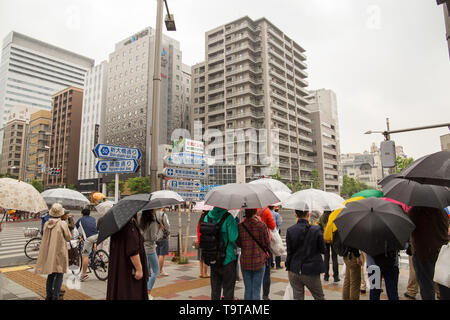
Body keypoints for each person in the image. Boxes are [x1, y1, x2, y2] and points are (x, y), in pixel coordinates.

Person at [408, 206, 450, 300]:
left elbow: (408, 228)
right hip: (441, 253)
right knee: (443, 284)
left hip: (422, 253)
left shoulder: (415, 210)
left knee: (426, 286)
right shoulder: (441, 211)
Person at [106, 213, 149, 300]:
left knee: (120, 292)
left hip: (119, 269)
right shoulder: (130, 227)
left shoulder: (118, 226)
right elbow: (132, 250)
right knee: (131, 293)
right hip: (129, 271)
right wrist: (139, 269)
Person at [285, 209, 326, 300]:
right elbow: (323, 250)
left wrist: (288, 268)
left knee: (298, 297)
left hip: (294, 269)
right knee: (319, 296)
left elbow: (289, 252)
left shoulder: (290, 230)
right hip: (311, 269)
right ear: (308, 214)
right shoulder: (316, 230)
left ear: (295, 214)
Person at [35, 203, 71, 300]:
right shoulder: (62, 224)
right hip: (59, 251)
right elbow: (68, 237)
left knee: (50, 274)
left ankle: (49, 295)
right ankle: (56, 296)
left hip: (49, 252)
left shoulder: (47, 224)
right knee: (59, 273)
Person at [204, 207, 238, 300]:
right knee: (228, 289)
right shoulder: (228, 217)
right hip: (227, 258)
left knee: (215, 289)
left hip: (213, 256)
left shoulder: (207, 217)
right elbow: (233, 238)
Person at [236, 208, 270, 300]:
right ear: (255, 212)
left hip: (245, 260)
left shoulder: (240, 226)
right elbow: (267, 243)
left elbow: (238, 242)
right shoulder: (261, 225)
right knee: (257, 289)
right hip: (259, 260)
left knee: (248, 289)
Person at [140, 209, 160, 300]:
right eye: (154, 211)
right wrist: (160, 231)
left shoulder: (142, 221)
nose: (155, 212)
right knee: (156, 271)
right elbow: (154, 238)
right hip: (151, 250)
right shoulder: (153, 223)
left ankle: (143, 292)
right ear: (151, 212)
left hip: (143, 248)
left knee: (146, 272)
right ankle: (148, 292)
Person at [257, 207, 276, 300]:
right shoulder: (266, 211)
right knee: (266, 272)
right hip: (265, 245)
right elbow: (272, 226)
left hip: (253, 245)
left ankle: (255, 294)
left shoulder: (250, 209)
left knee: (253, 272)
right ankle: (265, 295)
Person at [75, 208, 99, 282]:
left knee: (85, 255)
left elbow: (75, 229)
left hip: (89, 238)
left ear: (82, 214)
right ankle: (97, 257)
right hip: (97, 235)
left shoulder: (80, 220)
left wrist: (78, 236)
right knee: (93, 246)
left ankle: (83, 275)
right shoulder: (93, 218)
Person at [318, 210, 339, 282]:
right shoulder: (334, 216)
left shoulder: (322, 217)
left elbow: (319, 228)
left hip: (325, 239)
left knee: (326, 258)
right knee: (334, 257)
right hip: (333, 239)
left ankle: (326, 275)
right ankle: (336, 276)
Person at [156, 208, 170, 277]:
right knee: (162, 254)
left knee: (156, 254)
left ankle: (155, 270)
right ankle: (160, 271)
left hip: (155, 236)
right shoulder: (163, 215)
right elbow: (167, 226)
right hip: (163, 236)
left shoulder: (153, 214)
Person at [197, 210, 210, 278]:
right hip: (206, 242)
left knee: (201, 258)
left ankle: (201, 273)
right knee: (205, 258)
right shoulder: (206, 222)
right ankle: (205, 273)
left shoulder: (199, 223)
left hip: (200, 241)